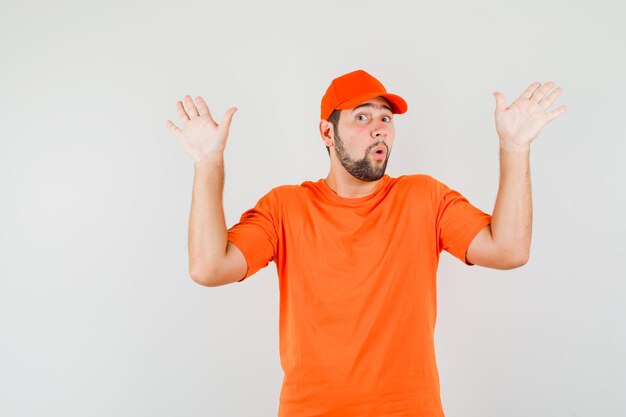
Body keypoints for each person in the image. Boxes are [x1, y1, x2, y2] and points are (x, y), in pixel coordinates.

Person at [166, 69, 567, 416]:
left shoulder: (424, 197)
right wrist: (208, 164)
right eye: (362, 117)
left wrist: (514, 148)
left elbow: (509, 250)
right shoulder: (285, 207)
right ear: (327, 131)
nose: (379, 128)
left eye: (386, 118)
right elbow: (209, 268)